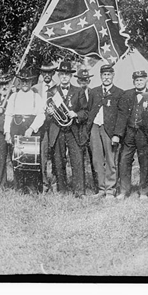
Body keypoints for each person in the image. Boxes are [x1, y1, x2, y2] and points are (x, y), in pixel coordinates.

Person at [45, 60, 89, 196]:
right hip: (57, 129)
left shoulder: (79, 91)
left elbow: (85, 112)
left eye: (67, 74)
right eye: (62, 74)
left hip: (73, 130)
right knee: (58, 161)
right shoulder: (52, 92)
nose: (64, 77)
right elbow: (47, 112)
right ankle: (62, 190)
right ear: (58, 76)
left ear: (71, 76)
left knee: (77, 160)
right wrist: (49, 113)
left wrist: (75, 114)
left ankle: (79, 191)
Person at [114, 70, 148, 200]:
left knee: (145, 161)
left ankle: (144, 191)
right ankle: (123, 190)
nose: (139, 82)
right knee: (124, 161)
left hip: (144, 134)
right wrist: (118, 134)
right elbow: (121, 116)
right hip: (129, 132)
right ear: (133, 81)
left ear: (146, 80)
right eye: (137, 80)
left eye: (141, 79)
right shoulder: (127, 95)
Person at [4, 68, 45, 193]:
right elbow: (8, 115)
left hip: (30, 128)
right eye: (23, 81)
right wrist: (7, 132)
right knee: (17, 158)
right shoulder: (14, 96)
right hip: (16, 127)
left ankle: (32, 186)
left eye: (28, 81)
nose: (25, 84)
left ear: (31, 82)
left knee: (31, 158)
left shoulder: (36, 97)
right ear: (19, 82)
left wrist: (32, 128)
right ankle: (19, 186)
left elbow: (41, 114)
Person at [87, 63, 123, 198]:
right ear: (100, 76)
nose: (106, 77)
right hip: (95, 127)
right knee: (97, 160)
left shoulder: (119, 93)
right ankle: (101, 189)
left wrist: (117, 134)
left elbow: (121, 115)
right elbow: (90, 110)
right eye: (104, 75)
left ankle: (110, 190)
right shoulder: (94, 91)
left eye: (109, 74)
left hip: (110, 130)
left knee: (110, 160)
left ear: (113, 76)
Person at [33, 61, 58, 192]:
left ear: (53, 73)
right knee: (41, 154)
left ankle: (54, 183)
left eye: (49, 72)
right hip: (41, 125)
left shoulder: (57, 87)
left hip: (54, 123)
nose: (47, 75)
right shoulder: (35, 88)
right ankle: (43, 184)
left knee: (54, 153)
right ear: (41, 74)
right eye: (44, 72)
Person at [75, 67, 98, 194]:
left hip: (91, 128)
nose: (83, 82)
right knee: (79, 159)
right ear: (78, 81)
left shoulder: (93, 93)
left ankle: (97, 186)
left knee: (95, 158)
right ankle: (80, 187)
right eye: (81, 80)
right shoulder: (74, 93)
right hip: (79, 129)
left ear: (89, 80)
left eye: (86, 79)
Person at [0, 73, 13, 190]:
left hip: (13, 130)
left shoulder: (14, 96)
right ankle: (1, 184)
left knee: (16, 158)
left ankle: (18, 184)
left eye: (6, 84)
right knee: (1, 159)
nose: (4, 87)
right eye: (1, 84)